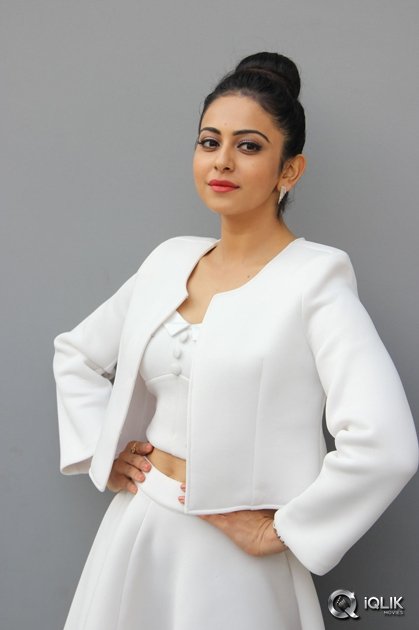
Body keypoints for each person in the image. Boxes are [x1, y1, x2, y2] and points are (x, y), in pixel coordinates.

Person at [52, 52, 418, 630]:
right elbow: (75, 353)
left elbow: (386, 443)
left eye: (248, 146)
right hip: (138, 530)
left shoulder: (314, 280)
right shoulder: (167, 261)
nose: (221, 160)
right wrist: (106, 452)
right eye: (209, 142)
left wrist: (286, 530)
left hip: (233, 563)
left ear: (289, 170)